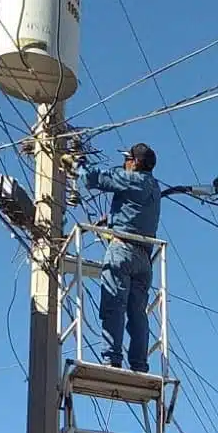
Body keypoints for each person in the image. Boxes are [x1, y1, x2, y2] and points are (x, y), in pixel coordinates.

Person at [83, 144, 161, 373]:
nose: (125, 163)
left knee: (113, 305)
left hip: (123, 251)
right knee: (137, 313)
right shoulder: (154, 188)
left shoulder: (132, 179)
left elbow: (97, 178)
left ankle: (111, 359)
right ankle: (139, 363)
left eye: (128, 159)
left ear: (136, 163)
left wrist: (77, 165)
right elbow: (132, 211)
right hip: (144, 259)